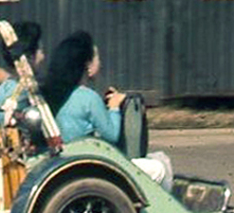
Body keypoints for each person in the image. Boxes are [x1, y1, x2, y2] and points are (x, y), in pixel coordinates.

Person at [40, 31, 172, 186]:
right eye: (97, 57)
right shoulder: (88, 97)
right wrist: (114, 107)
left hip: (65, 164)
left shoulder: (53, 95)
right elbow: (112, 135)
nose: (100, 62)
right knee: (160, 165)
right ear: (88, 66)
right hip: (91, 167)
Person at [0, 21, 44, 116]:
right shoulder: (25, 93)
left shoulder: (4, 87)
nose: (43, 57)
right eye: (40, 51)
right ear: (29, 56)